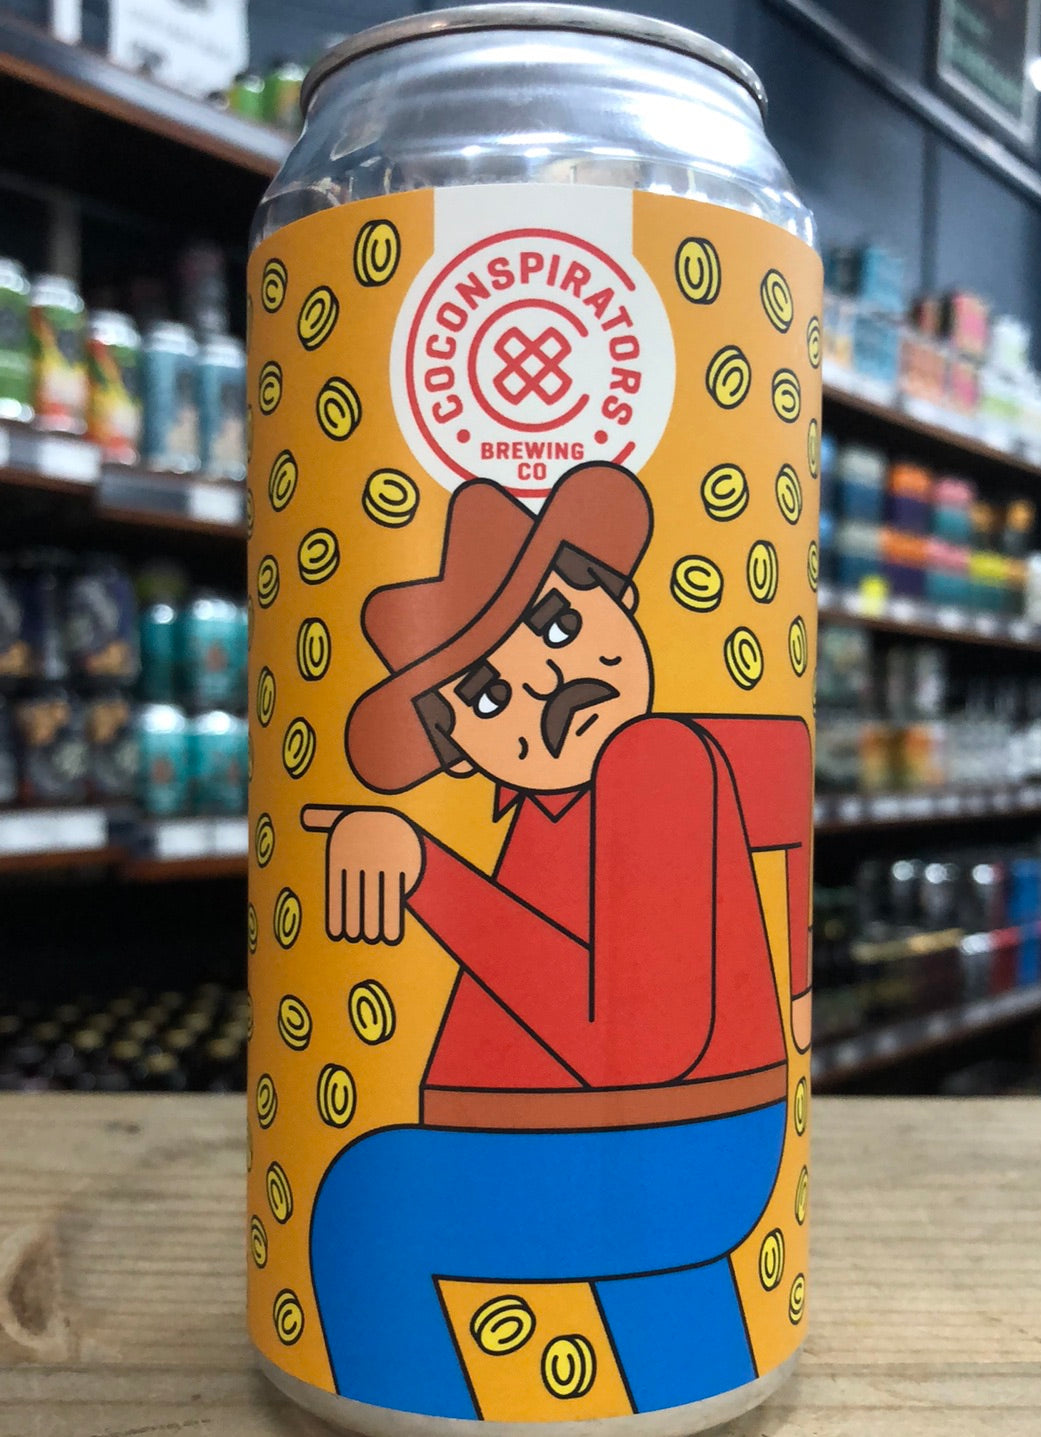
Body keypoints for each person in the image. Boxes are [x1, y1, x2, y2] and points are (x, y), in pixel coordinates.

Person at [304, 462, 812, 1417]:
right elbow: (782, 754)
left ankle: (416, 1396)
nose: (545, 682)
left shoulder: (651, 757)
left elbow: (627, 1037)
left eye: (557, 623)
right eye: (487, 699)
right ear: (459, 753)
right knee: (668, 1310)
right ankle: (697, 1374)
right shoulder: (567, 797)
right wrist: (794, 978)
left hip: (663, 1134)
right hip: (648, 1139)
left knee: (370, 1208)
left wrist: (427, 870)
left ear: (619, 599)